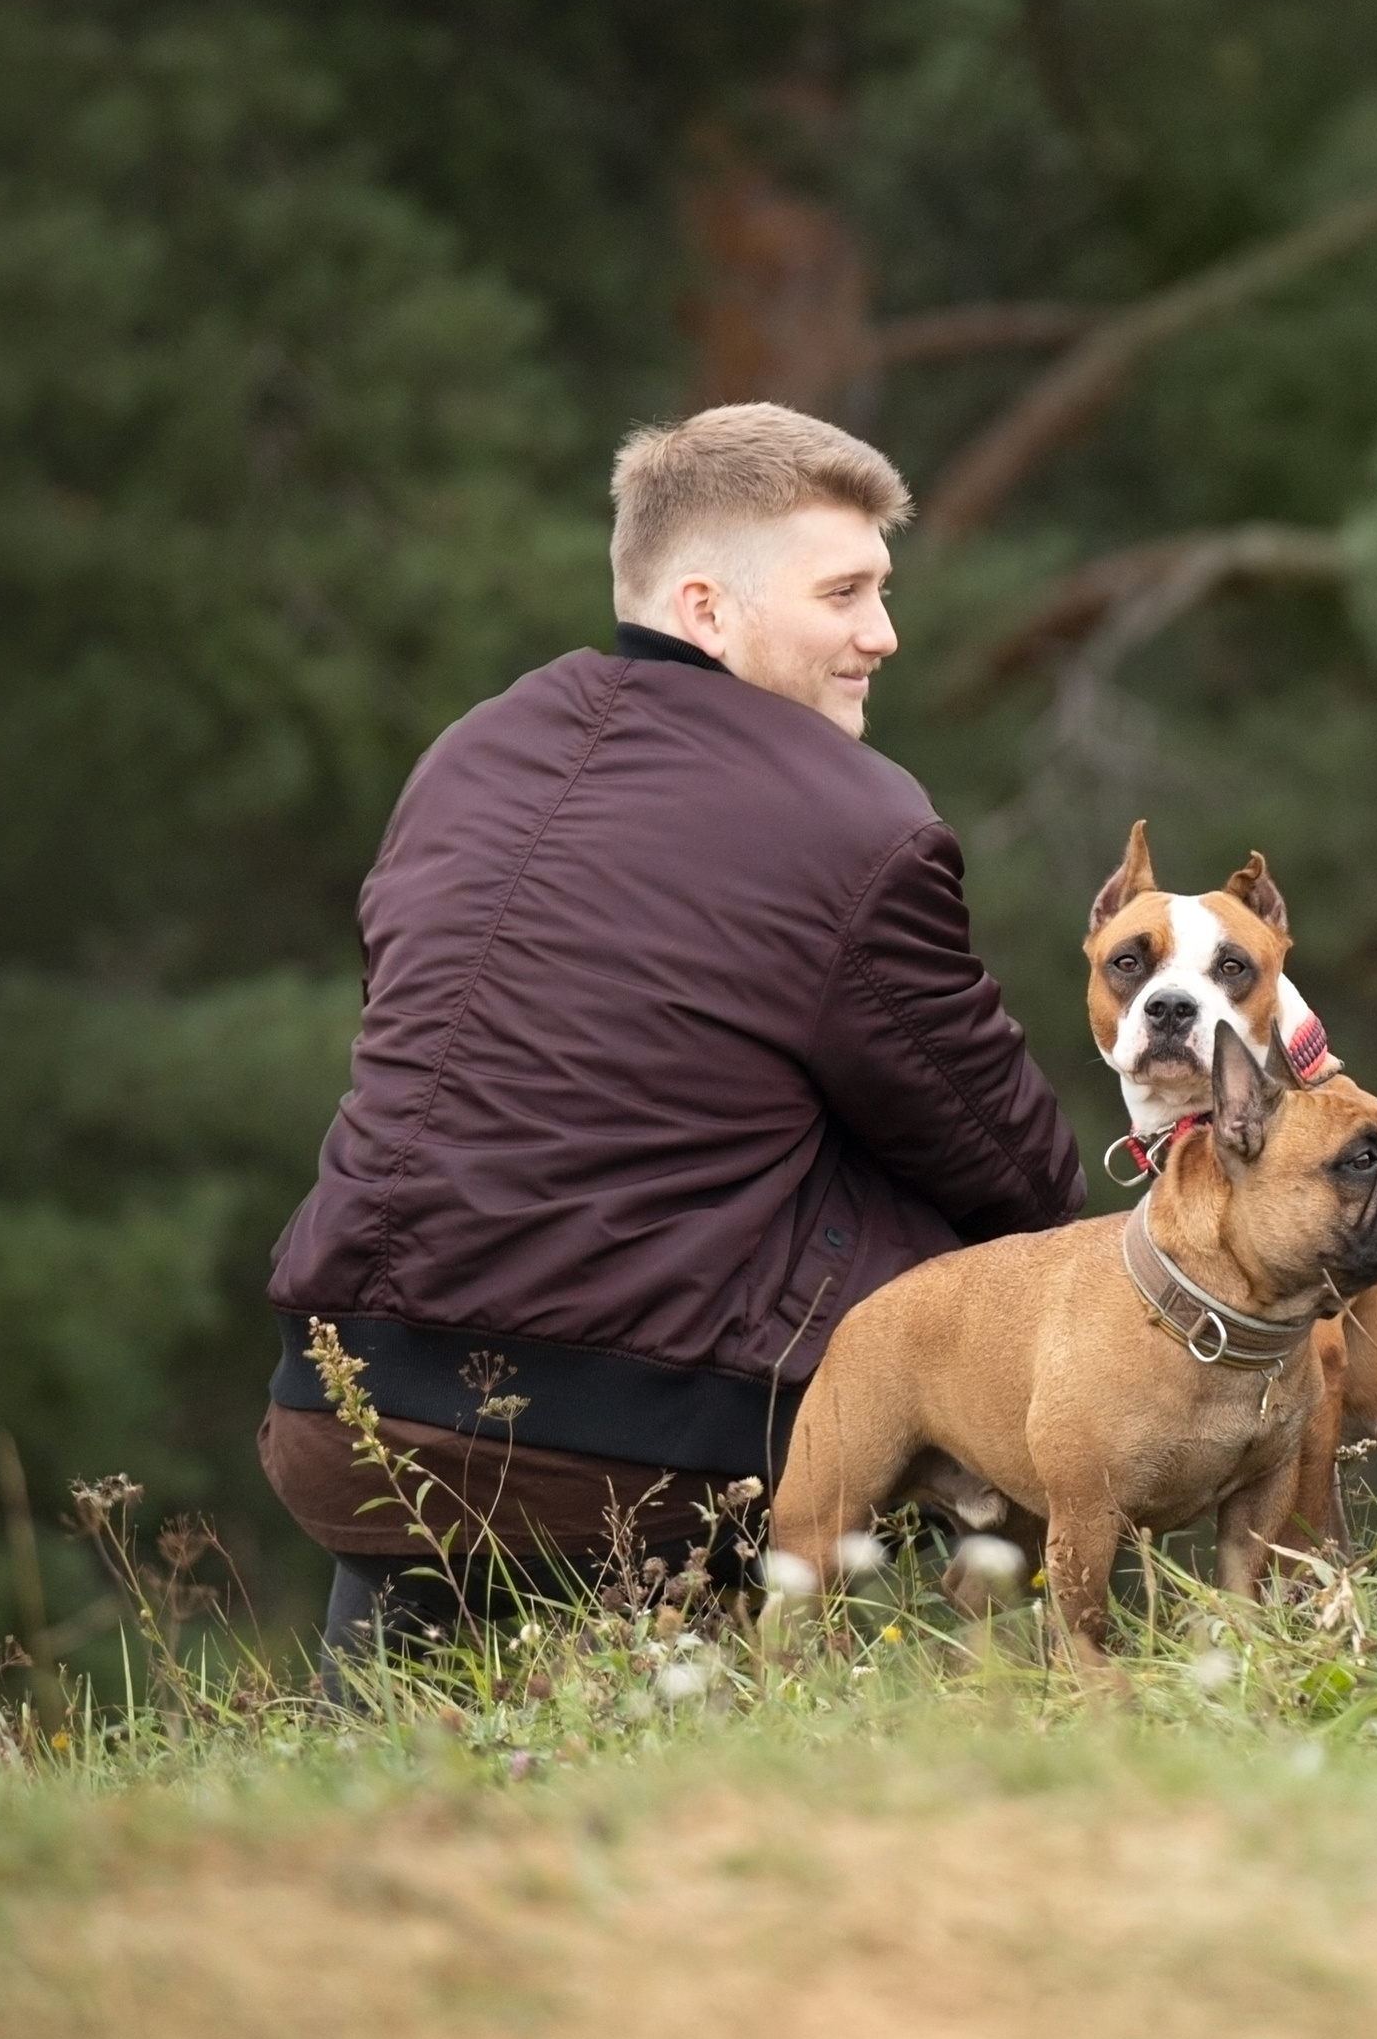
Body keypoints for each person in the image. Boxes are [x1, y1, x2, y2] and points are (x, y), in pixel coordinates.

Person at [263, 401, 1082, 1655]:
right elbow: (1014, 1172)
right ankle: (978, 1677)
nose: (884, 634)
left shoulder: (470, 754)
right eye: (845, 594)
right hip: (644, 1452)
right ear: (705, 607)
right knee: (989, 1261)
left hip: (346, 1414)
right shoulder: (859, 822)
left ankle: (389, 1702)